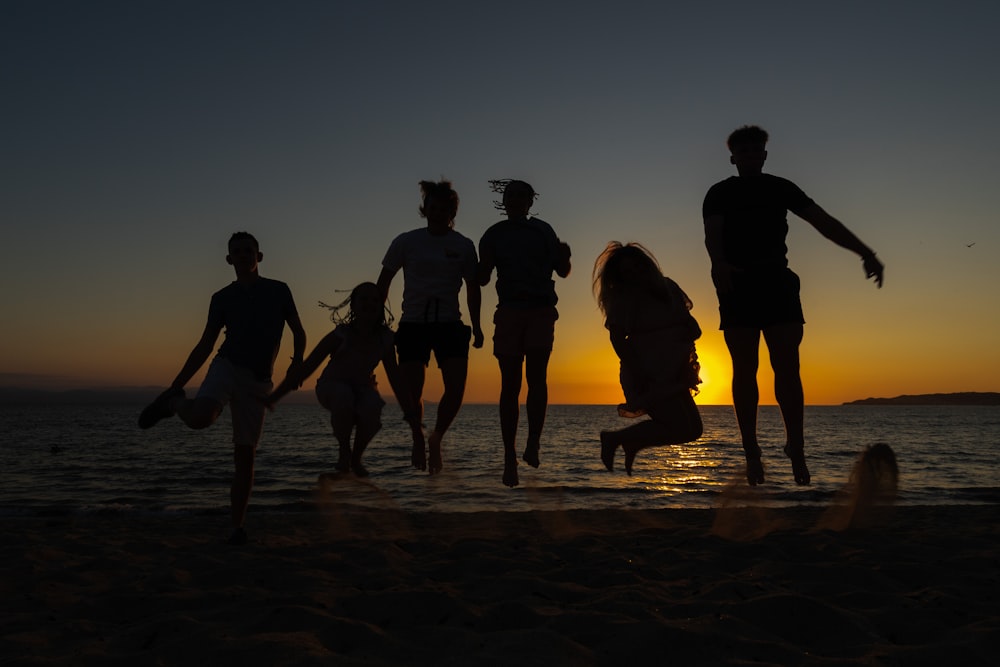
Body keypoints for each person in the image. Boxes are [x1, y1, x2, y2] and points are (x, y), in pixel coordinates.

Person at [703, 125, 884, 486]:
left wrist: (865, 252)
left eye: (758, 150)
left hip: (777, 283)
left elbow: (824, 223)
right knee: (744, 369)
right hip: (738, 285)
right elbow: (712, 237)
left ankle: (795, 447)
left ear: (765, 155)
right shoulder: (719, 193)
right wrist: (718, 264)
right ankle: (752, 451)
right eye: (745, 151)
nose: (752, 155)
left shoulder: (780, 187)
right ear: (733, 157)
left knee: (787, 367)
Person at [137, 231, 306, 544]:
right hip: (227, 366)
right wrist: (175, 386)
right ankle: (173, 403)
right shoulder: (222, 298)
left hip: (260, 381)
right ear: (229, 259)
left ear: (260, 256)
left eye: (248, 250)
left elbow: (298, 330)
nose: (243, 255)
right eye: (237, 252)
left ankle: (236, 527)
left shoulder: (279, 290)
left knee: (245, 457)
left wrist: (297, 365)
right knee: (201, 417)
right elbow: (204, 345)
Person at [376, 179, 484, 475]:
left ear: (452, 212)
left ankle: (436, 437)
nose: (437, 213)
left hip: (450, 323)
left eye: (444, 209)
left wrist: (477, 326)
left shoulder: (463, 245)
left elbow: (473, 288)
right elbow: (384, 281)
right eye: (432, 208)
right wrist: (376, 319)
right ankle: (417, 437)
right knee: (413, 391)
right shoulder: (407, 241)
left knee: (456, 388)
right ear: (425, 209)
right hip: (413, 324)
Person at [265, 282, 416, 478]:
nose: (369, 303)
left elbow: (395, 378)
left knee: (372, 407)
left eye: (375, 300)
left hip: (362, 389)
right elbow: (308, 366)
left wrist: (411, 415)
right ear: (352, 305)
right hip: (331, 387)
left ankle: (356, 459)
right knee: (343, 395)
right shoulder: (341, 334)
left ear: (381, 306)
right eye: (363, 299)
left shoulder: (386, 338)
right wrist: (275, 396)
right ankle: (344, 450)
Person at [478, 179, 571, 487]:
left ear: (531, 201)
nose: (516, 200)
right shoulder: (493, 235)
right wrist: (470, 265)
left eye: (522, 195)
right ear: (503, 201)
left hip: (540, 311)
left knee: (536, 378)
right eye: (511, 195)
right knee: (510, 385)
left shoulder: (543, 230)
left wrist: (565, 256)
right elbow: (482, 278)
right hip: (509, 312)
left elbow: (562, 270)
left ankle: (533, 441)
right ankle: (509, 457)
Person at [593, 242, 704, 475]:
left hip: (675, 369)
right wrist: (639, 371)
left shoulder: (668, 288)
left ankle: (633, 442)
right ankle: (615, 439)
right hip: (648, 371)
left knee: (693, 430)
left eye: (636, 269)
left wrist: (687, 331)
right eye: (626, 273)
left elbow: (692, 325)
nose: (634, 276)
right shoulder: (623, 298)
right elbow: (617, 339)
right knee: (680, 427)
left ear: (646, 267)